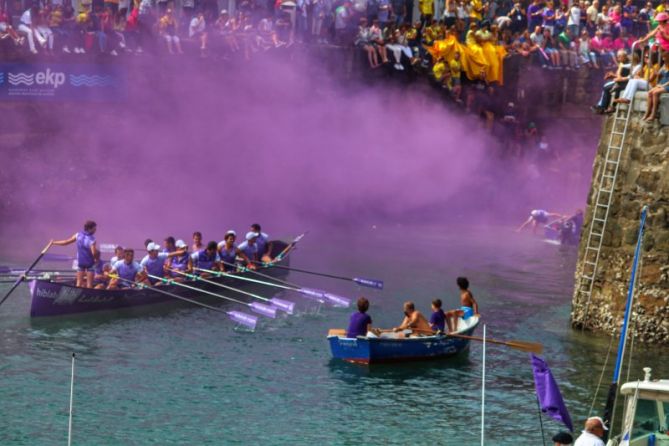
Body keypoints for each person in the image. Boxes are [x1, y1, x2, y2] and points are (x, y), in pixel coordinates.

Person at [51, 220, 98, 288]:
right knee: (89, 285)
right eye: (94, 229)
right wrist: (96, 259)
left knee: (78, 284)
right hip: (90, 263)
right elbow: (93, 252)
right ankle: (87, 297)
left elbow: (66, 242)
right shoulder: (92, 239)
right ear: (90, 229)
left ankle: (76, 296)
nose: (95, 230)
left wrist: (54, 242)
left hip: (80, 262)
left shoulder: (77, 234)